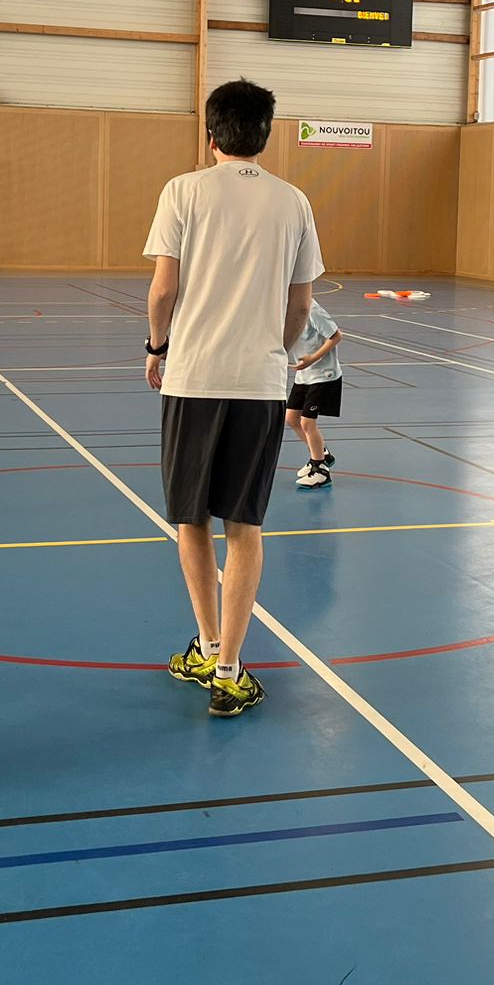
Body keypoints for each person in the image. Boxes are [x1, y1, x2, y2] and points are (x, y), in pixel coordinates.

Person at [144, 79, 323, 717]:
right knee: (244, 525)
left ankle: (210, 643)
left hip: (192, 378)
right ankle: (226, 666)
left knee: (190, 519)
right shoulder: (294, 201)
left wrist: (157, 347)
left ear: (211, 133)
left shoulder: (182, 191)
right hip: (259, 383)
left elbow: (163, 290)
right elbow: (301, 304)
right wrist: (268, 352)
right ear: (265, 135)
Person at [286, 298, 343, 489]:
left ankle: (320, 471)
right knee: (292, 418)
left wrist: (312, 359)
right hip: (304, 375)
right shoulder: (285, 308)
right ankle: (322, 454)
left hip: (323, 374)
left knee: (307, 422)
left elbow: (336, 336)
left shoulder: (312, 310)